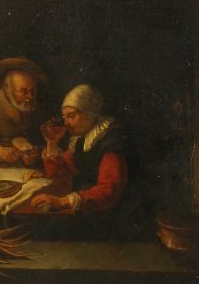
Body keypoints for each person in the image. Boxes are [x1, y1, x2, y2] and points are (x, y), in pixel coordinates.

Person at [31, 84, 128, 213]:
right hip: (87, 207)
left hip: (111, 212)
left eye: (71, 116)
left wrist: (63, 202)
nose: (66, 124)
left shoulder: (110, 143)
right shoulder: (81, 138)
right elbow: (60, 173)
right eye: (65, 117)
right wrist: (52, 144)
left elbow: (108, 191)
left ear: (89, 113)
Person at [0, 57, 46, 166]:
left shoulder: (35, 106)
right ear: (7, 88)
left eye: (33, 91)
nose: (30, 96)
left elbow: (40, 139)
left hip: (29, 169)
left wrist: (36, 153)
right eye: (23, 91)